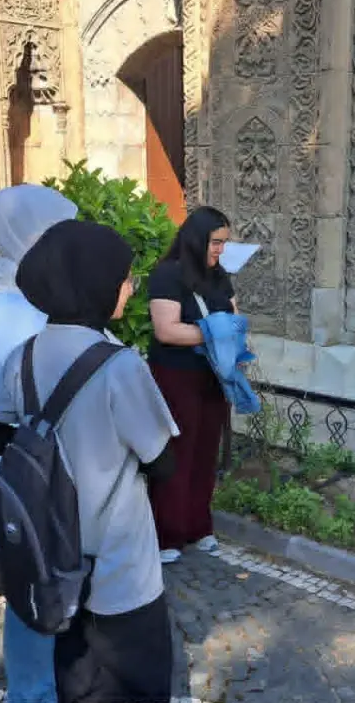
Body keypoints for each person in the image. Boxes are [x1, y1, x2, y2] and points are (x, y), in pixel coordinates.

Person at [0, 218, 178, 703]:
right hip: (118, 567)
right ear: (96, 284)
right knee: (135, 685)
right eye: (125, 278)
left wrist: (46, 454)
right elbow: (164, 462)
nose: (129, 288)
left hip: (50, 559)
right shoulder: (120, 365)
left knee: (73, 681)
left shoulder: (25, 355)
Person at [0, 184, 77, 702]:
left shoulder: (20, 293)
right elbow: (37, 401)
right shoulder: (16, 310)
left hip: (24, 473)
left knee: (36, 599)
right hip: (21, 479)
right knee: (32, 604)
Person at [146, 206, 235, 564]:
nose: (220, 250)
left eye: (224, 243)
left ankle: (199, 527)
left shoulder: (220, 276)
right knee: (177, 453)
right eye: (216, 242)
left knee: (205, 453)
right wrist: (213, 332)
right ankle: (168, 533)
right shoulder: (168, 275)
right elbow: (166, 329)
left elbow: (233, 316)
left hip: (211, 374)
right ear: (198, 239)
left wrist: (225, 334)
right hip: (175, 374)